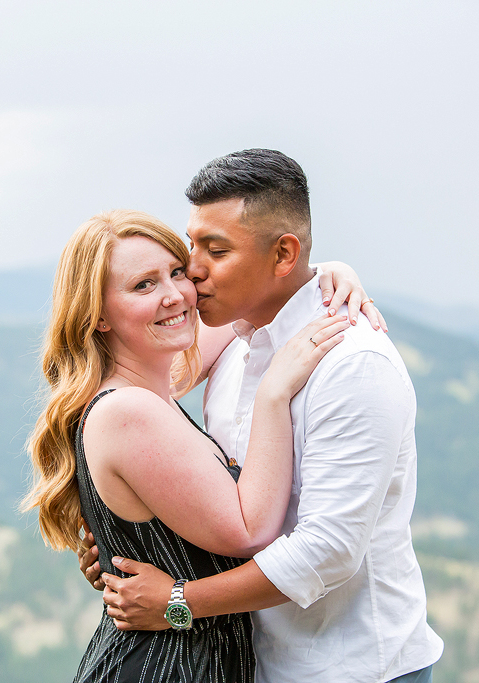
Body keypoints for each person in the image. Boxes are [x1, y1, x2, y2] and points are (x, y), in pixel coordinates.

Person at [84, 149, 444, 683]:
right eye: (192, 246)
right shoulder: (232, 341)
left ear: (282, 255)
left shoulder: (352, 365)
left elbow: (328, 551)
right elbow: (135, 398)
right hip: (257, 662)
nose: (193, 273)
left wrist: (179, 602)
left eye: (217, 251)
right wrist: (121, 538)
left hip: (351, 666)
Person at [23, 209, 373, 682]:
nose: (174, 296)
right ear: (98, 316)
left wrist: (330, 277)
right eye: (143, 285)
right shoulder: (128, 411)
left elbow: (246, 311)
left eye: (176, 273)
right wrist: (274, 393)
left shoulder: (152, 385)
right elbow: (251, 531)